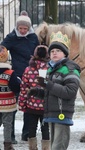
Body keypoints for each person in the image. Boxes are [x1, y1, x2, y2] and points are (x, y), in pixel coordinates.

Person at [27, 31, 80, 150]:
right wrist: (38, 92)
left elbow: (70, 92)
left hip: (62, 114)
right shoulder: (52, 69)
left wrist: (47, 84)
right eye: (52, 51)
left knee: (58, 147)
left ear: (65, 54)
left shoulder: (70, 69)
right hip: (52, 114)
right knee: (54, 147)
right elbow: (51, 92)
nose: (54, 53)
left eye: (58, 51)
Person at [1, 10, 39, 143]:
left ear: (29, 28)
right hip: (16, 75)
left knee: (30, 106)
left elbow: (38, 53)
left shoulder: (34, 37)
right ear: (17, 27)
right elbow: (2, 49)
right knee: (12, 107)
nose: (23, 31)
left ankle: (27, 133)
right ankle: (10, 136)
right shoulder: (11, 37)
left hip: (31, 75)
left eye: (25, 28)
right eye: (20, 28)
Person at [18, 45, 50, 150]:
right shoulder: (49, 69)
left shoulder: (28, 70)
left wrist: (22, 105)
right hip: (45, 106)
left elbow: (23, 88)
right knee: (45, 129)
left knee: (31, 128)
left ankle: (32, 147)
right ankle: (46, 148)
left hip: (31, 106)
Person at [0, 45, 21, 150]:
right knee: (7, 124)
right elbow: (16, 87)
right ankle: (7, 144)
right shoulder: (10, 73)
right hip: (7, 104)